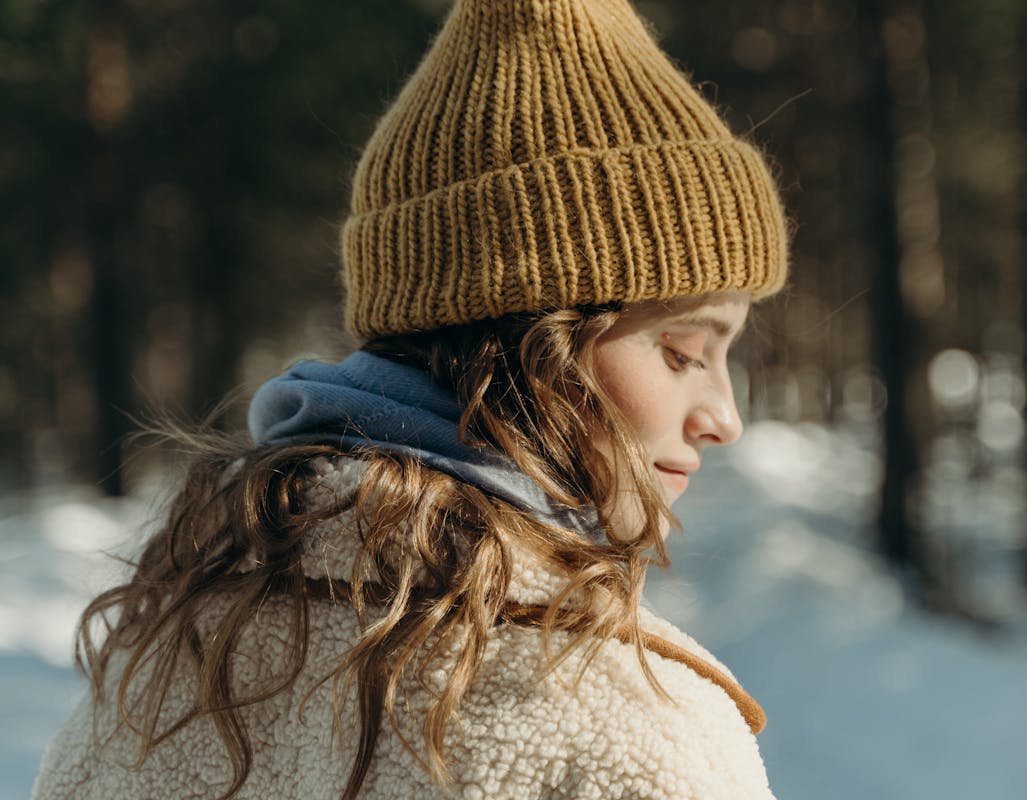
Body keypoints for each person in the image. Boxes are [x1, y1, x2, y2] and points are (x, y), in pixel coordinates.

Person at [33, 0, 790, 797]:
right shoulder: (632, 733)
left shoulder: (160, 667)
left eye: (728, 355)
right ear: (525, 338)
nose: (725, 418)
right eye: (682, 352)